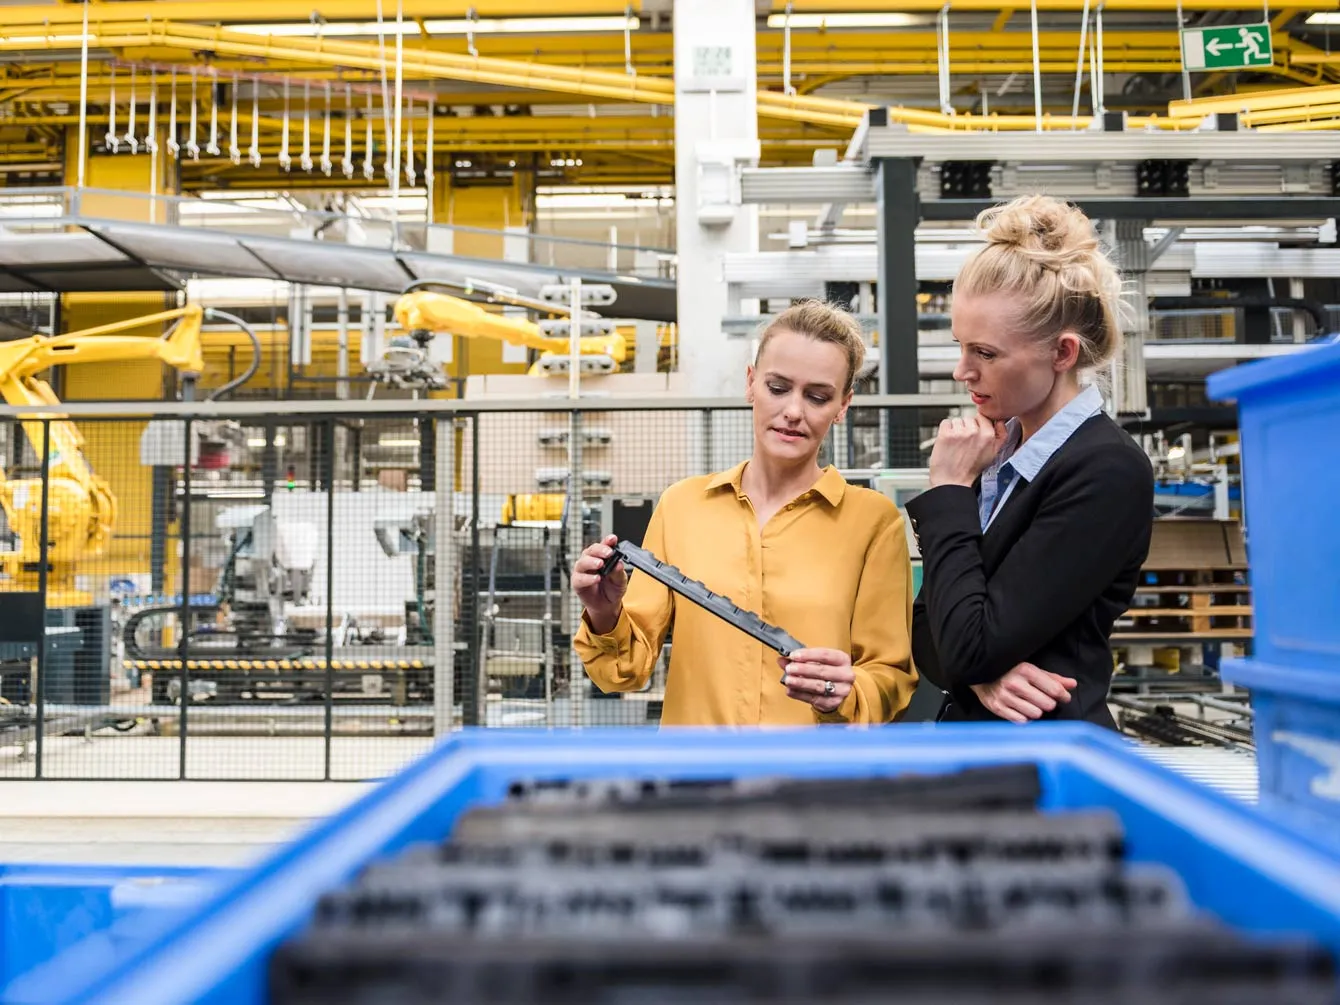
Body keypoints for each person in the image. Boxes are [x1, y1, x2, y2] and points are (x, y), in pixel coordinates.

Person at [570, 301, 918, 727]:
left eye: (817, 396)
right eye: (778, 387)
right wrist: (605, 613)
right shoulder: (682, 506)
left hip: (814, 781)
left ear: (843, 406)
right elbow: (625, 673)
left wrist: (844, 692)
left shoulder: (873, 522)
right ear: (751, 383)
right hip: (701, 780)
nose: (793, 411)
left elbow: (890, 678)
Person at [906, 194, 1155, 728]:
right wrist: (979, 673)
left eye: (986, 353)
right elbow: (926, 629)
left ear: (1062, 353)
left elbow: (966, 645)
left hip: (1046, 763)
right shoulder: (1001, 454)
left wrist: (949, 490)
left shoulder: (1105, 470)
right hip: (984, 763)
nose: (962, 371)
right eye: (961, 346)